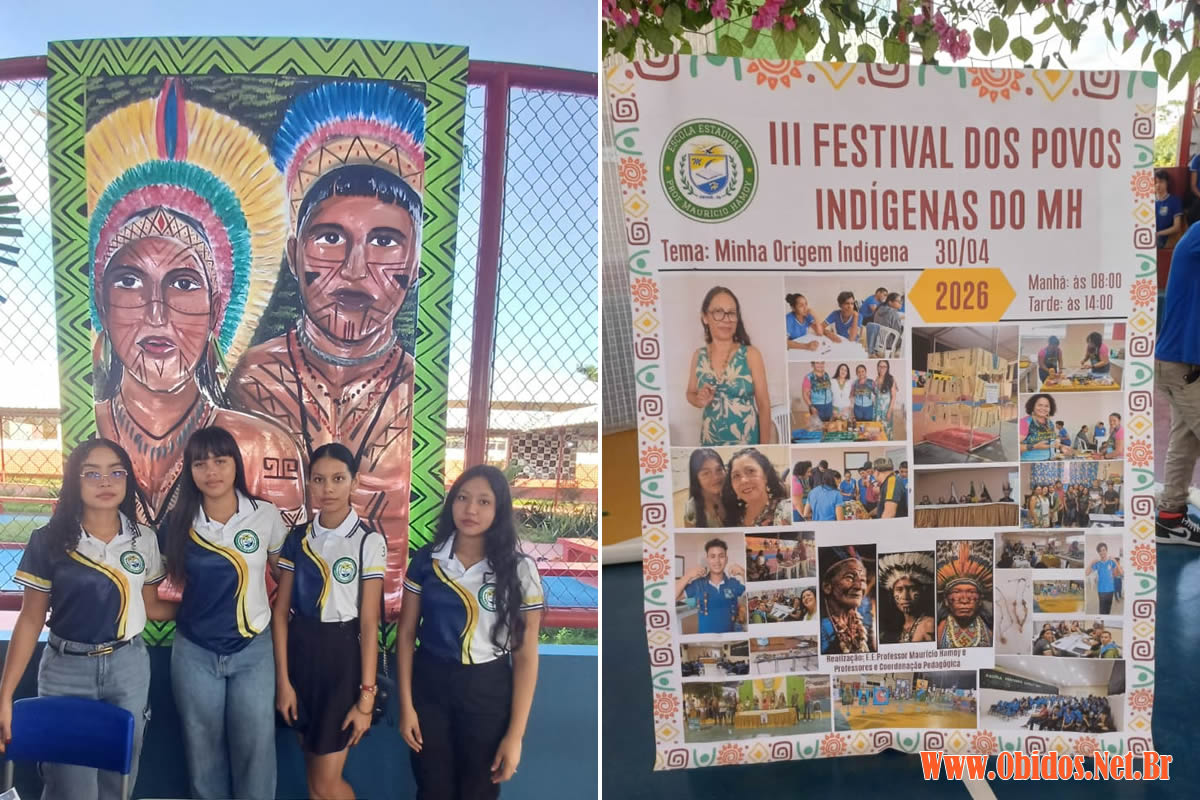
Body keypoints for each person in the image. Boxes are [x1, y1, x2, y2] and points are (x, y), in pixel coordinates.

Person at [228, 83, 430, 613]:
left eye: (385, 241)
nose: (356, 270)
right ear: (294, 254)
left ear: (414, 267)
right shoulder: (254, 376)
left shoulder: (415, 386)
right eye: (331, 238)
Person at [88, 78, 307, 528]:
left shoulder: (262, 447)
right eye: (129, 280)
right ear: (102, 304)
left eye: (184, 284)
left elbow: (276, 578)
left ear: (218, 311)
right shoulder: (88, 435)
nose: (156, 312)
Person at [0, 439, 172, 799]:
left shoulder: (144, 541)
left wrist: (206, 613)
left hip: (129, 667)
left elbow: (153, 606)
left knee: (119, 777)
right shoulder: (49, 540)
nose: (105, 481)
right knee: (69, 784)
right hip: (66, 670)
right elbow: (31, 619)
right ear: (74, 482)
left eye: (115, 472)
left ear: (127, 480)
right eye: (91, 473)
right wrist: (5, 695)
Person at [397, 465, 544, 797]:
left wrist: (515, 736)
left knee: (478, 790)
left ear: (499, 509)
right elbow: (406, 635)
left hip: (488, 690)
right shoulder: (427, 561)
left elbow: (525, 654)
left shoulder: (520, 570)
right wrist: (407, 707)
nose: (471, 509)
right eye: (462, 498)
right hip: (430, 687)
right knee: (432, 788)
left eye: (483, 501)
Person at [161, 426, 290, 800]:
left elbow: (286, 575)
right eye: (200, 463)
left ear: (236, 463)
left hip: (253, 650)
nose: (211, 471)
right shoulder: (178, 521)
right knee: (202, 751)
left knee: (256, 746)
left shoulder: (264, 515)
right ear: (190, 470)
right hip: (194, 652)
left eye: (220, 460)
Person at [273, 443, 386, 799]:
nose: (328, 489)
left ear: (354, 483)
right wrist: (284, 682)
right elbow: (280, 615)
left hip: (342, 663)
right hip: (301, 654)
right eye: (319, 480)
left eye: (338, 479)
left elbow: (369, 625)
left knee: (326, 783)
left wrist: (366, 696)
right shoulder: (298, 537)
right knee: (314, 780)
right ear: (309, 484)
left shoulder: (368, 541)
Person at [684, 286, 775, 445]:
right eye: (718, 312)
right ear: (705, 317)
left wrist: (764, 449)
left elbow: (764, 405)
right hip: (710, 444)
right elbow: (690, 393)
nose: (726, 319)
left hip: (747, 443)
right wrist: (699, 400)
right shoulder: (698, 355)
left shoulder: (751, 354)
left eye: (731, 313)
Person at [936, 541, 993, 648]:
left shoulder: (990, 633)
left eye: (971, 592)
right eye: (956, 592)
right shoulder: (937, 632)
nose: (964, 600)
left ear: (980, 600)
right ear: (946, 600)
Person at [819, 547, 875, 654]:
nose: (859, 586)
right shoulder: (822, 631)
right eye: (849, 577)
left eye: (863, 579)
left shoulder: (863, 625)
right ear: (827, 586)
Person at [721, 448, 790, 527]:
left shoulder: (784, 510)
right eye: (736, 475)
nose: (743, 480)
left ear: (766, 476)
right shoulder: (733, 516)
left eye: (750, 471)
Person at [877, 553, 935, 644]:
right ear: (892, 594)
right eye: (899, 590)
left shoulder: (929, 624)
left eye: (912, 589)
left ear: (922, 591)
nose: (905, 597)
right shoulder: (899, 627)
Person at [683, 448, 726, 528]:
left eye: (719, 469)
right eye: (706, 473)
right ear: (696, 478)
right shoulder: (691, 509)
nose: (715, 477)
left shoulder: (734, 496)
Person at [1020, 394, 1072, 459]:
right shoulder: (1025, 422)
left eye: (1046, 406)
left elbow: (1053, 441)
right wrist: (1035, 446)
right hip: (1030, 462)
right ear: (1033, 406)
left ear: (1050, 408)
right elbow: (1015, 447)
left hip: (1049, 460)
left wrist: (1061, 447)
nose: (1043, 408)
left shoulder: (1050, 423)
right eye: (1040, 405)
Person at [1086, 543, 1122, 615]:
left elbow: (1120, 573)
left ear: (1106, 550)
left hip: (1111, 590)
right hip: (1101, 591)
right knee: (1102, 611)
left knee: (1108, 610)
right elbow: (1087, 573)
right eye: (1100, 551)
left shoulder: (1111, 562)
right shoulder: (1098, 563)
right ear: (1098, 553)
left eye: (1103, 550)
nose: (1102, 552)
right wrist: (1091, 562)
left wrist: (1115, 561)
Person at [866, 292, 904, 357]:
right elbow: (897, 332)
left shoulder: (879, 309)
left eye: (901, 301)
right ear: (890, 302)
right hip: (889, 344)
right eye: (898, 301)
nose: (901, 303)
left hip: (877, 342)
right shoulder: (894, 313)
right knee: (904, 337)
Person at [1157, 169, 1184, 248]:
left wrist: (1158, 234)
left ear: (1167, 183)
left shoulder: (1175, 201)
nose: (1158, 185)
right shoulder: (1148, 201)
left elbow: (1177, 227)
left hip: (1164, 238)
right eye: (1155, 182)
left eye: (1161, 182)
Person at [874, 360, 898, 438]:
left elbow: (894, 397)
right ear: (878, 368)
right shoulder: (877, 378)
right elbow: (876, 394)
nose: (882, 368)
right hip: (877, 409)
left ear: (887, 368)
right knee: (878, 430)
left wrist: (889, 412)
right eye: (880, 366)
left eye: (884, 367)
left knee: (886, 430)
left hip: (886, 409)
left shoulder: (891, 379)